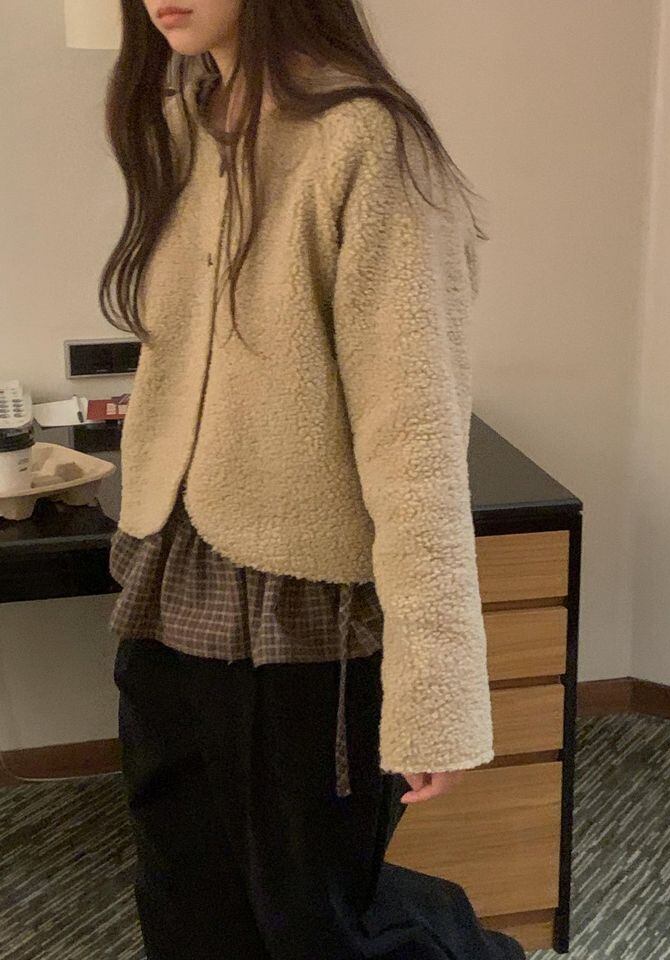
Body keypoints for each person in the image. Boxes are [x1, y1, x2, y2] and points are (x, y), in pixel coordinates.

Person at [102, 1, 525, 958]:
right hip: (172, 581)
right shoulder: (184, 121)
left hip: (303, 609)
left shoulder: (366, 140)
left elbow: (414, 435)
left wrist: (436, 689)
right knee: (183, 900)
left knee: (314, 924)